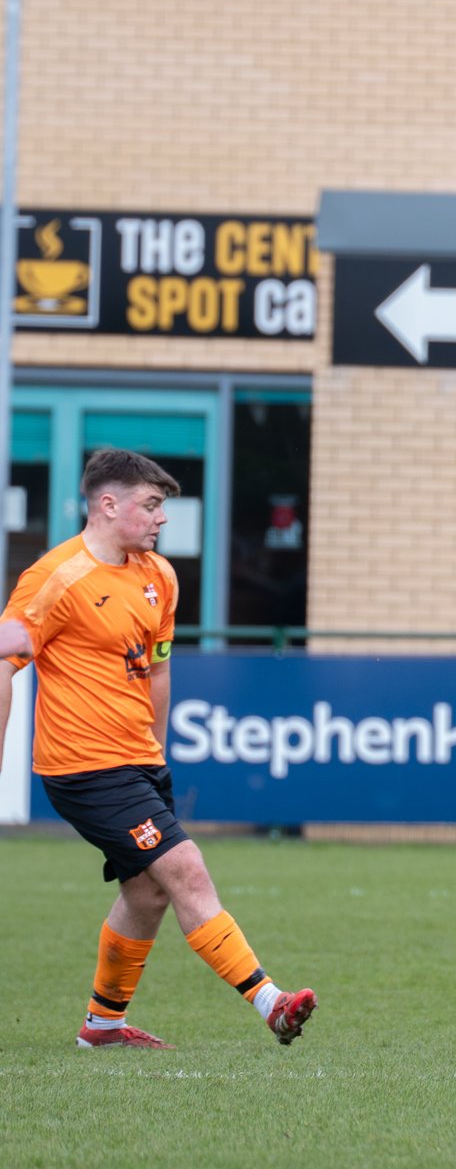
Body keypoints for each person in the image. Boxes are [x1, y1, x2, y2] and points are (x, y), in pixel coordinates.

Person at [0, 448, 316, 1050]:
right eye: (150, 505)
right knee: (186, 869)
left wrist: (156, 751)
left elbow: (158, 669)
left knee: (146, 892)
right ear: (107, 504)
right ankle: (270, 1002)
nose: (161, 518)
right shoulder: (53, 579)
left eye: (162, 507)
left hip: (137, 761)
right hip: (84, 766)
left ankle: (102, 1025)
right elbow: (4, 664)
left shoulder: (159, 576)